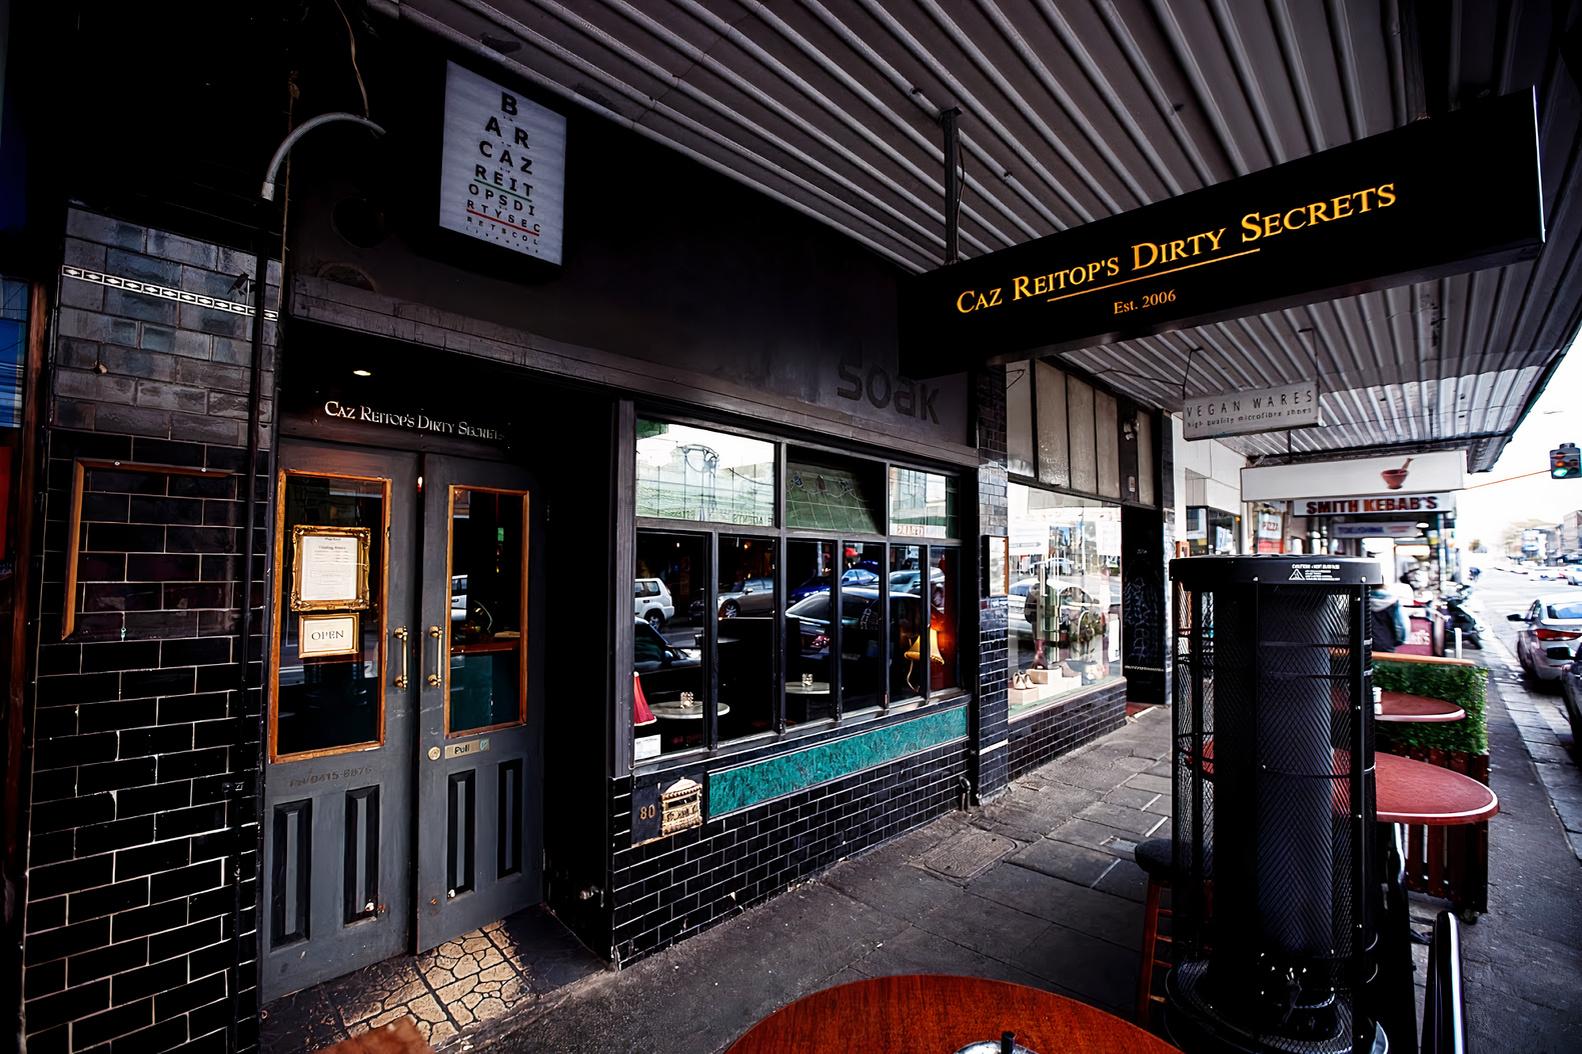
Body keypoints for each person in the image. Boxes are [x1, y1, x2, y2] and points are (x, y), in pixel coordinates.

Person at [1370, 584, 1410, 652]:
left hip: (1363, 645)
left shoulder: (1361, 599)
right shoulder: (1394, 601)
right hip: (1386, 645)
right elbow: (1402, 625)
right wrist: (1401, 640)